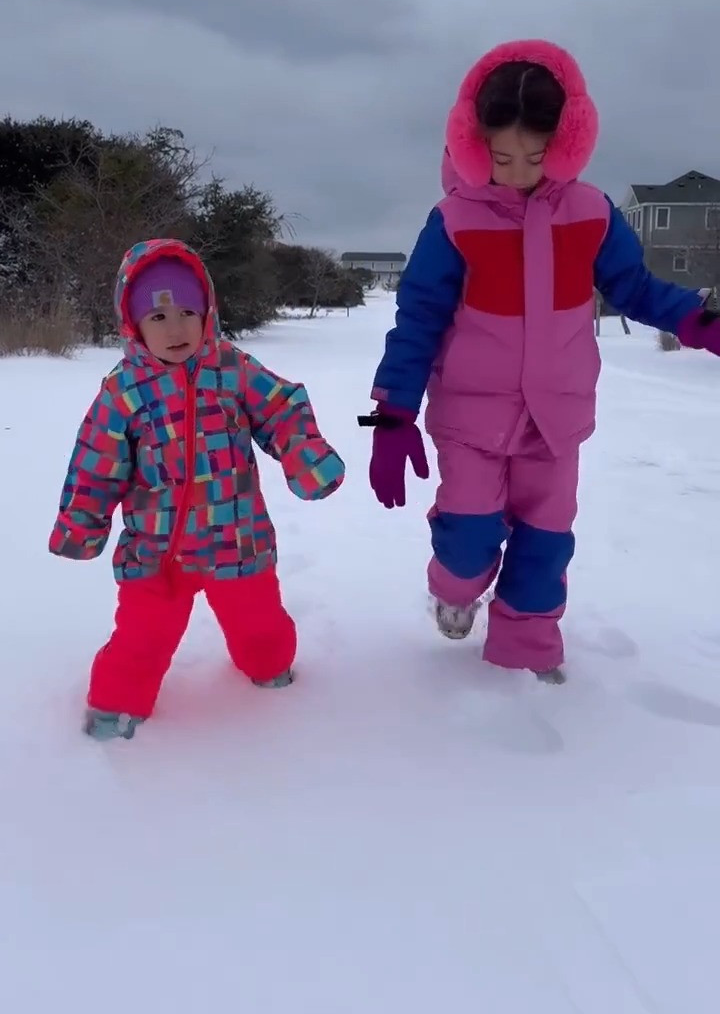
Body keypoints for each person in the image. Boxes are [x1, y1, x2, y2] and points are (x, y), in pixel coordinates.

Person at [362, 39, 720, 682]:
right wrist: (393, 413)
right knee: (468, 540)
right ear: (475, 145)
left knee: (546, 539)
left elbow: (633, 288)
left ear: (565, 142)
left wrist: (696, 320)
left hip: (555, 418)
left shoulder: (591, 213)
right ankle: (455, 586)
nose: (520, 170)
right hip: (472, 417)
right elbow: (417, 319)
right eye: (502, 156)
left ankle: (524, 650)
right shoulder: (454, 221)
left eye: (536, 154)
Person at [50, 238, 345, 739]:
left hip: (239, 541)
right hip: (157, 554)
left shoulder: (232, 369)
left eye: (188, 311)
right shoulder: (124, 391)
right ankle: (115, 709)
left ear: (207, 310)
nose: (177, 328)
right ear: (133, 323)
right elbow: (96, 463)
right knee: (142, 637)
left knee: (261, 625)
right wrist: (82, 524)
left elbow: (281, 407)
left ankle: (271, 673)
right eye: (158, 318)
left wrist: (305, 454)